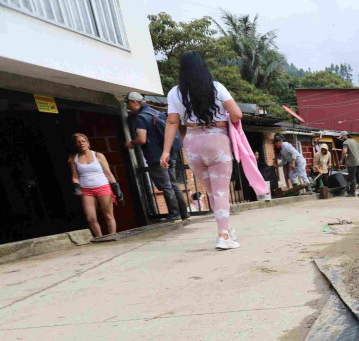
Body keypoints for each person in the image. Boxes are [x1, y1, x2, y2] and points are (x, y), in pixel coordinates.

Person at [161, 50, 243, 250]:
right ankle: (223, 236)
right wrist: (224, 120)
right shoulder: (216, 87)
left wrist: (166, 151)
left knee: (212, 192)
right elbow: (237, 114)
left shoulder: (174, 93)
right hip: (217, 142)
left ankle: (227, 229)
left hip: (192, 143)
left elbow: (172, 121)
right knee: (220, 191)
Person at [124, 92, 188, 222]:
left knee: (166, 186)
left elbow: (142, 139)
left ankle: (174, 215)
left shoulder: (141, 118)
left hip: (156, 157)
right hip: (170, 154)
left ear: (134, 102)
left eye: (128, 103)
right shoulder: (157, 113)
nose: (127, 106)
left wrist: (131, 143)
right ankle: (184, 214)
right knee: (173, 184)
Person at [68, 133, 122, 238]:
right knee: (91, 218)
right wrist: (76, 187)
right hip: (86, 190)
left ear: (88, 143)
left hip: (103, 187)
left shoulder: (98, 155)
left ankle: (112, 236)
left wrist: (116, 187)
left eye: (83, 141)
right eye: (78, 142)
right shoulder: (73, 159)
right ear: (75, 145)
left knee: (108, 215)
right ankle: (100, 238)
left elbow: (108, 173)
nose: (81, 143)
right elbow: (75, 176)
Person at [341, 131, 359, 197]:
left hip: (352, 163)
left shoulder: (345, 142)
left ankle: (352, 193)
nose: (342, 139)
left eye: (342, 137)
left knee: (352, 178)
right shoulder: (355, 141)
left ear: (345, 136)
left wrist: (341, 160)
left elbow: (344, 152)